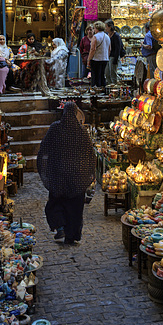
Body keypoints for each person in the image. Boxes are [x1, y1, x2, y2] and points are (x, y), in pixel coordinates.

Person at [36, 102, 95, 245]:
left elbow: (44, 149)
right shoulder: (81, 131)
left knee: (56, 203)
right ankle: (71, 235)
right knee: (74, 209)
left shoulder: (55, 128)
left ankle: (60, 226)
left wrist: (46, 168)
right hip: (76, 177)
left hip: (58, 175)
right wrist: (88, 173)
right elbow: (90, 154)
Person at [87, 21, 111, 88]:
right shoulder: (107, 36)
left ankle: (96, 91)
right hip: (105, 59)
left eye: (94, 28)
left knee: (95, 76)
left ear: (96, 28)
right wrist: (106, 56)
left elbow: (93, 49)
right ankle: (103, 89)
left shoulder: (95, 37)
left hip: (96, 59)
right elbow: (109, 49)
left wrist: (89, 59)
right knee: (102, 76)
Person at [104, 19, 123, 85]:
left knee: (113, 73)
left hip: (113, 56)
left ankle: (114, 88)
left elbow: (118, 48)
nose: (105, 28)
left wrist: (115, 59)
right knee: (107, 73)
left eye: (106, 26)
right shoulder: (107, 35)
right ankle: (109, 87)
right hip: (107, 56)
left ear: (110, 27)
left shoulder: (116, 36)